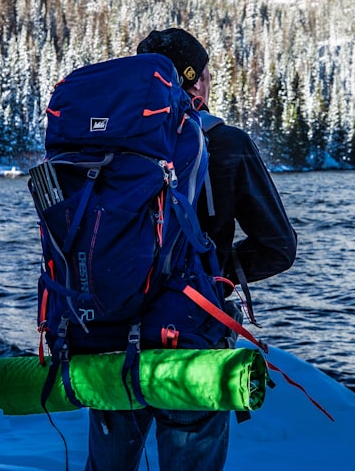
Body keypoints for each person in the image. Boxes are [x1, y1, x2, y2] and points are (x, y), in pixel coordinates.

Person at [85, 28, 298, 471]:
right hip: (190, 340)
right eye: (206, 73)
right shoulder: (226, 143)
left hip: (109, 336)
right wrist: (210, 272)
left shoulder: (100, 143)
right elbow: (279, 247)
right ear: (196, 81)